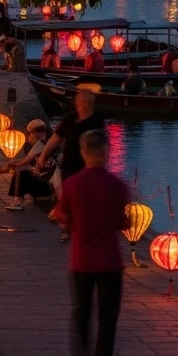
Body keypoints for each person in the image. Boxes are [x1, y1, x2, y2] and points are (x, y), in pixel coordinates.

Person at [56, 130, 128, 356]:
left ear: (84, 152)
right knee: (108, 319)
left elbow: (64, 220)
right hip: (110, 260)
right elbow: (122, 223)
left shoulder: (72, 184)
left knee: (81, 313)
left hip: (81, 259)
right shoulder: (118, 185)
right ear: (106, 151)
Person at [37, 90, 103, 242]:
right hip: (70, 165)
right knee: (69, 197)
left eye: (84, 101)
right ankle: (66, 229)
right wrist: (43, 156)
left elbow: (102, 145)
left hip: (89, 166)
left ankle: (84, 228)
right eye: (79, 101)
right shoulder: (70, 119)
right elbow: (56, 138)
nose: (81, 104)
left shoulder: (96, 121)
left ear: (91, 104)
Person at [0, 120, 55, 211]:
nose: (41, 134)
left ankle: (18, 201)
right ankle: (18, 198)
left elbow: (24, 162)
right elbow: (28, 161)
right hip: (38, 175)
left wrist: (9, 165)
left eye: (43, 131)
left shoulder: (43, 144)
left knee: (20, 170)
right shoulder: (29, 145)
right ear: (31, 134)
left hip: (47, 179)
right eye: (38, 132)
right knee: (20, 170)